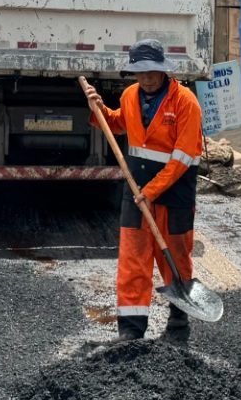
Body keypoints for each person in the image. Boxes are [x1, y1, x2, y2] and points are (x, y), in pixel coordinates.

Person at [80, 39, 204, 343]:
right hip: (136, 194)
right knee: (133, 259)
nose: (147, 78)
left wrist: (152, 190)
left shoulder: (185, 102)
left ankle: (178, 324)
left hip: (173, 195)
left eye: (152, 71)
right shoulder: (130, 96)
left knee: (175, 257)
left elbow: (183, 157)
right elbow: (118, 124)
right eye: (141, 72)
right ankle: (131, 331)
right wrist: (98, 110)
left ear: (163, 71)